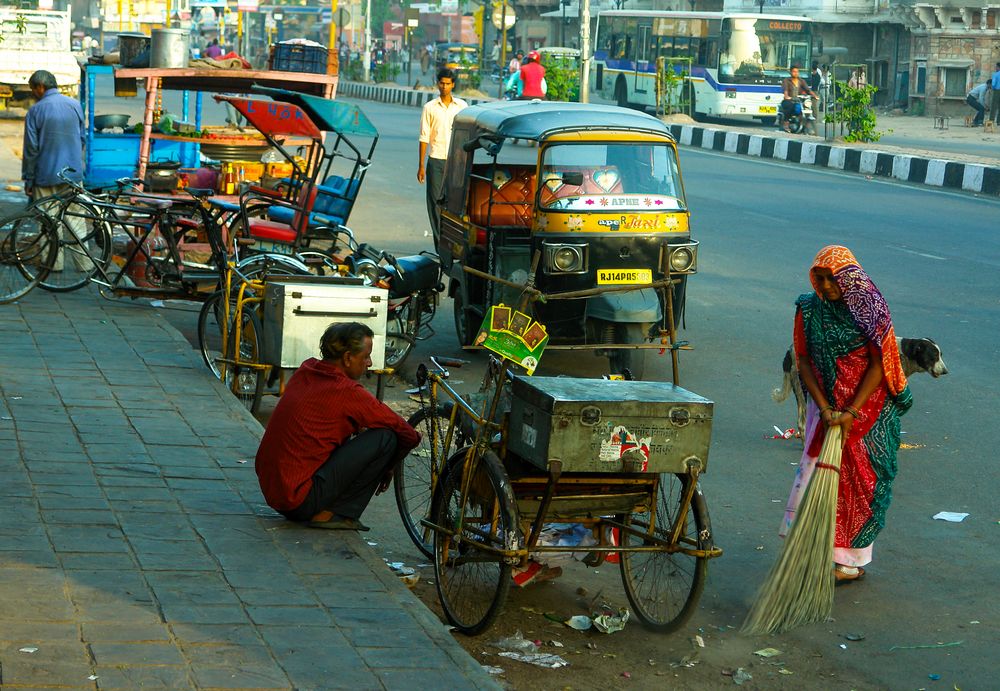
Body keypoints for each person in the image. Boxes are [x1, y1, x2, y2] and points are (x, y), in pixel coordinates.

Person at [780, 246, 912, 582]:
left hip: (868, 409)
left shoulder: (869, 308)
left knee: (859, 483)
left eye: (830, 278)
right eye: (819, 278)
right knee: (816, 476)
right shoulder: (808, 309)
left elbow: (881, 364)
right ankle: (812, 548)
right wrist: (825, 407)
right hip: (824, 404)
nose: (824, 286)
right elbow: (805, 361)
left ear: (848, 278)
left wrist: (852, 410)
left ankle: (849, 561)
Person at [255, 322, 420, 531]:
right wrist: (390, 466)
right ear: (348, 358)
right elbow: (409, 434)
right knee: (387, 437)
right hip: (299, 500)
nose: (369, 363)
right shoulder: (348, 391)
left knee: (362, 430)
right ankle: (337, 513)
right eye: (366, 356)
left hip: (274, 491)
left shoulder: (307, 369)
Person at [21, 69, 91, 273]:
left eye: (33, 89)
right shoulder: (75, 105)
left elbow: (31, 149)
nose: (33, 93)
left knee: (48, 220)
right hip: (72, 175)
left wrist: (29, 179)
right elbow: (82, 139)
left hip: (46, 175)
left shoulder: (35, 111)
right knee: (76, 219)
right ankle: (85, 264)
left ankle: (53, 263)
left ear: (40, 87)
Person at [417, 67, 467, 245]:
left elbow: (466, 135)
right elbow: (424, 136)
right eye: (441, 83)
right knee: (435, 204)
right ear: (437, 84)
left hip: (456, 162)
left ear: (453, 85)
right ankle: (441, 246)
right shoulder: (429, 107)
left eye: (447, 84)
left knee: (456, 204)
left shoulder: (462, 107)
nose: (444, 87)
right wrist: (421, 165)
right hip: (436, 160)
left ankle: (455, 243)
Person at [780, 66, 816, 132]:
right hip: (789, 100)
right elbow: (785, 90)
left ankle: (806, 124)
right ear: (790, 72)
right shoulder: (786, 81)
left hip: (799, 101)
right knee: (790, 106)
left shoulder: (801, 81)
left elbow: (807, 90)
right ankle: (786, 123)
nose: (796, 73)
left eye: (797, 72)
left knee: (808, 107)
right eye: (794, 72)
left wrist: (814, 95)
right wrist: (787, 96)